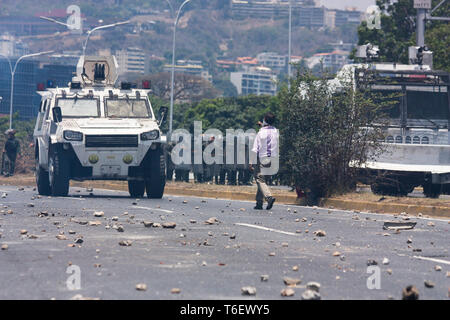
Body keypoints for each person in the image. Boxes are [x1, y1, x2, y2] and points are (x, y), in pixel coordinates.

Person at [250, 112, 278, 210]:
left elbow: (255, 149)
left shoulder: (260, 133)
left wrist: (251, 161)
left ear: (265, 120)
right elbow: (268, 131)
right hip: (273, 159)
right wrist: (262, 126)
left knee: (259, 179)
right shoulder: (275, 131)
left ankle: (269, 197)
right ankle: (259, 203)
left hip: (263, 158)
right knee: (262, 181)